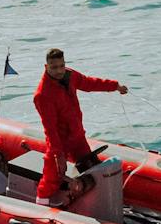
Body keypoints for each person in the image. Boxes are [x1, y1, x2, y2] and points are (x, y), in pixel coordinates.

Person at [33, 48, 127, 206]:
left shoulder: (70, 76)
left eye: (61, 66)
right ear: (46, 66)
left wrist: (115, 86)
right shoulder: (43, 94)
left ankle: (94, 203)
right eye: (54, 67)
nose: (59, 70)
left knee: (92, 170)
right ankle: (40, 208)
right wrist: (58, 156)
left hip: (77, 136)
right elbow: (50, 129)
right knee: (51, 180)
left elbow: (89, 83)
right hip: (59, 143)